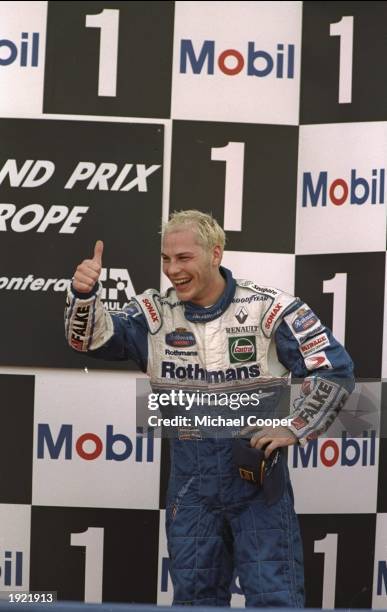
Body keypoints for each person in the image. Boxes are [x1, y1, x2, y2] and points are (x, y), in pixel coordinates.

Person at [65, 210, 354, 608]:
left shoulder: (269, 309)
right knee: (197, 600)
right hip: (190, 487)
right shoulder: (154, 316)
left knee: (276, 598)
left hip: (257, 486)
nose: (172, 270)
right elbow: (90, 341)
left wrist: (295, 425)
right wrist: (84, 295)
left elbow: (335, 369)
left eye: (184, 258)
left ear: (215, 253)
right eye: (166, 259)